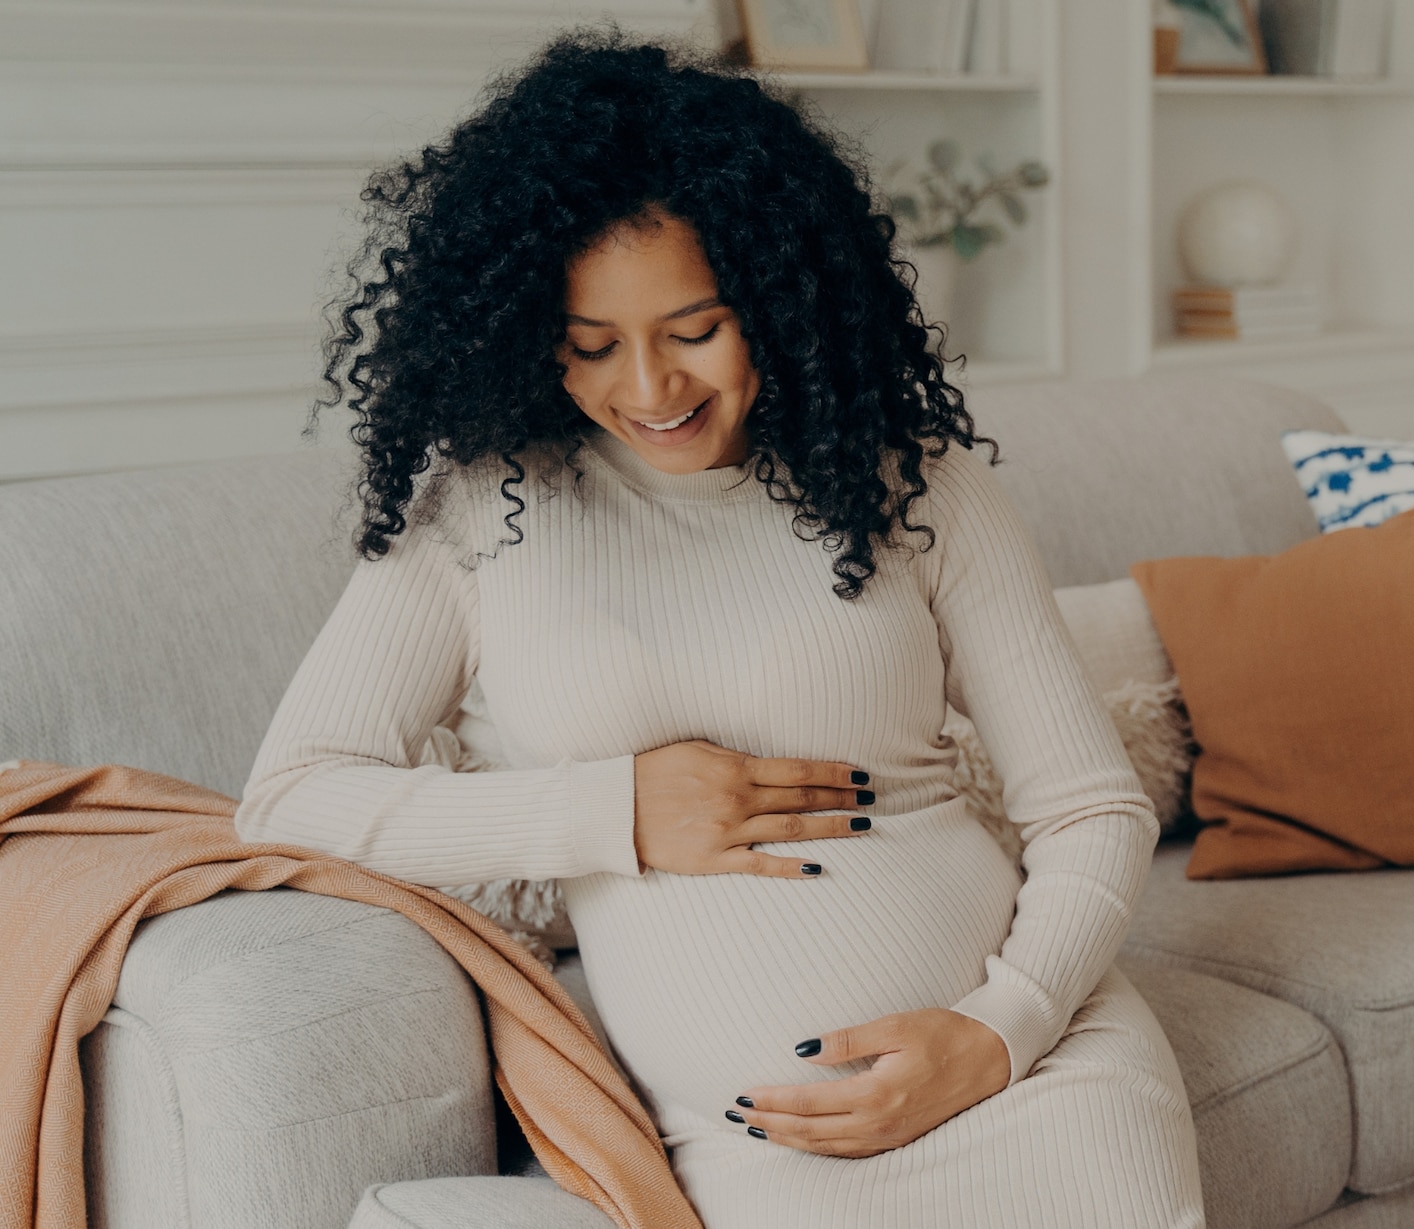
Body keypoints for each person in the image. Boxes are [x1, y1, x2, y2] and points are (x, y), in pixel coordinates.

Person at [235, 30, 1204, 1229]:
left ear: (777, 294)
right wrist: (613, 809)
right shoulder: (483, 512)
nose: (650, 389)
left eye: (694, 328)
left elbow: (1090, 805)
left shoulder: (913, 483)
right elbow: (292, 794)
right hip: (760, 1143)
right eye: (591, 345)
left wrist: (1001, 1027)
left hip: (1037, 1073)